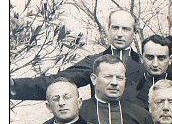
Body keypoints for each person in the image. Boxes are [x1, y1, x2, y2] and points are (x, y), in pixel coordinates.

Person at [11, 9, 145, 101]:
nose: (120, 34)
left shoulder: (145, 64)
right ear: (108, 29)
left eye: (126, 29)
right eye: (115, 28)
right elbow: (57, 82)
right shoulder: (94, 62)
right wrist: (12, 86)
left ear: (135, 32)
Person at [81, 55, 152, 124]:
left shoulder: (141, 115)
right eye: (108, 77)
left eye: (119, 78)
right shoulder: (79, 112)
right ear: (94, 79)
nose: (114, 83)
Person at [126, 35, 172, 109]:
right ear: (141, 58)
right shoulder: (129, 94)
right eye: (150, 57)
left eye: (161, 58)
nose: (155, 64)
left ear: (170, 59)